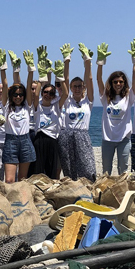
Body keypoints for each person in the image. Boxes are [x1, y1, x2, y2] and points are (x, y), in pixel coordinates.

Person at [97, 39, 135, 175]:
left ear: (124, 83)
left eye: (121, 81)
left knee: (123, 169)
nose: (118, 84)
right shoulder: (106, 97)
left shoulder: (129, 97)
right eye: (115, 81)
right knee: (106, 170)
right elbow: (99, 79)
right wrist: (100, 63)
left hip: (124, 139)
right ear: (111, 82)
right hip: (108, 139)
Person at [58, 43, 96, 181]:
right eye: (75, 86)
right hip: (66, 135)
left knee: (88, 168)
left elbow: (90, 79)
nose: (77, 88)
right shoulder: (67, 100)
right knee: (69, 169)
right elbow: (65, 79)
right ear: (71, 88)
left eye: (80, 86)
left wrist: (87, 62)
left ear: (83, 87)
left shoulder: (88, 101)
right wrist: (66, 60)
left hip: (82, 135)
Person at [0, 49, 36, 183]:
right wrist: (3, 68)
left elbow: (30, 85)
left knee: (23, 179)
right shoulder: (6, 106)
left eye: (20, 94)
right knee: (9, 180)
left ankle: (21, 203)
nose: (18, 97)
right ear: (11, 96)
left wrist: (31, 69)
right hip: (10, 142)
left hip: (25, 141)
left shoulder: (27, 106)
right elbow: (5, 83)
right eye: (15, 95)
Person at [30, 46, 68, 179]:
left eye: (51, 93)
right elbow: (35, 96)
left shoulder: (56, 106)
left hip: (53, 140)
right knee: (38, 171)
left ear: (54, 95)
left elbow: (66, 94)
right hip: (39, 139)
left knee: (52, 171)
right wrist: (41, 78)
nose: (48, 94)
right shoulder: (37, 106)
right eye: (45, 92)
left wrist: (60, 77)